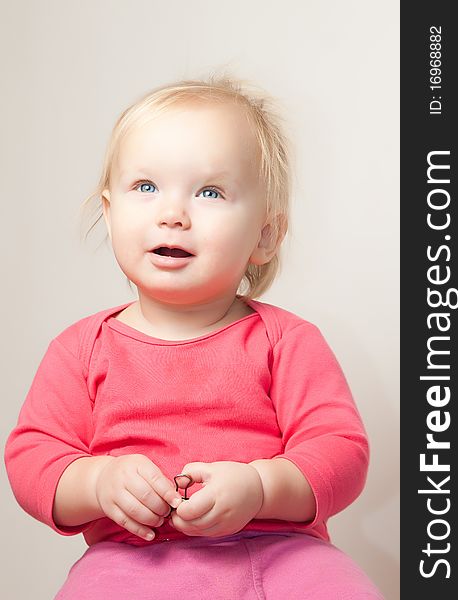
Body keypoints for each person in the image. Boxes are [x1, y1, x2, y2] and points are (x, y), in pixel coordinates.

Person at [4, 74, 384, 599]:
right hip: (130, 562)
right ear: (111, 213)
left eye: (210, 191)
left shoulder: (286, 340)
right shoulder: (80, 348)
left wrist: (261, 487)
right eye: (145, 187)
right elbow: (32, 459)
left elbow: (340, 451)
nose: (172, 214)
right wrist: (96, 482)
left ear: (265, 235)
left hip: (283, 552)